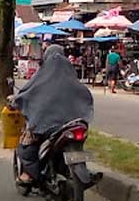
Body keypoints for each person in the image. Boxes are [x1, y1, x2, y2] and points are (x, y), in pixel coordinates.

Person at [13, 45, 93, 184]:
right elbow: (86, 96)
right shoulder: (71, 74)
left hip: (47, 125)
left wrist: (16, 100)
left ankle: (30, 175)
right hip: (75, 124)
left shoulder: (43, 74)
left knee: (26, 147)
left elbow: (27, 93)